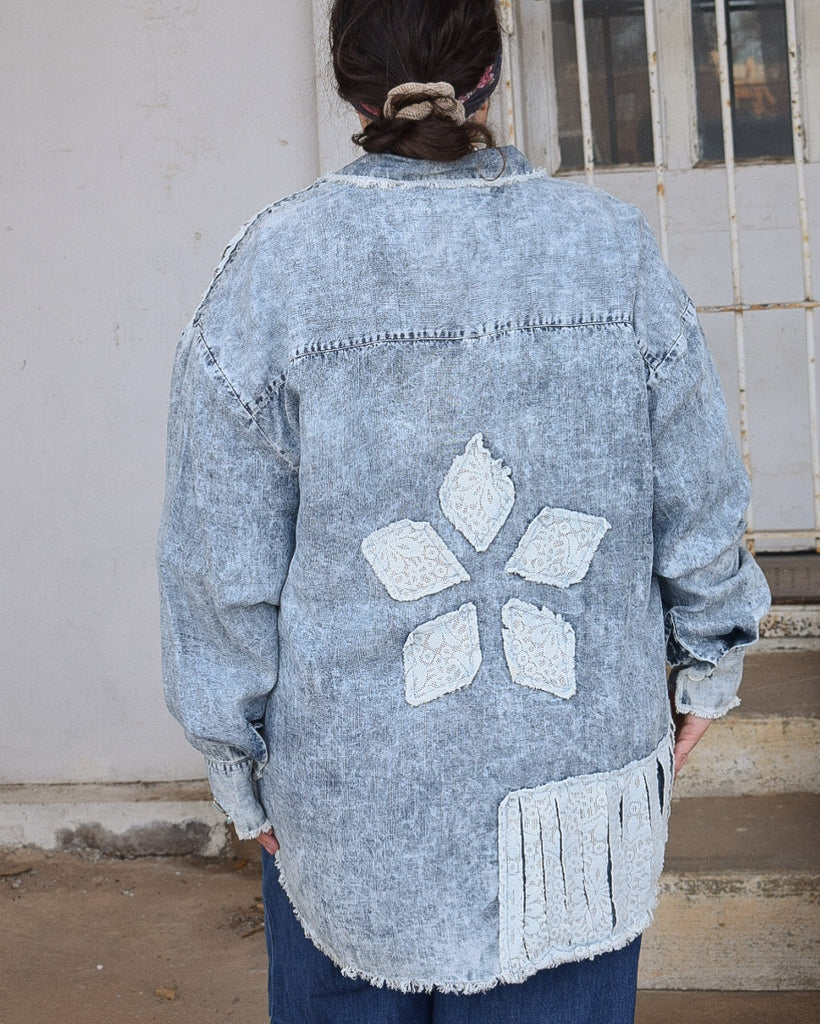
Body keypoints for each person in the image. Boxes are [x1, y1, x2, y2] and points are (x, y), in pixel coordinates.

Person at [156, 2, 773, 1021]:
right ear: (490, 76)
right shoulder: (608, 250)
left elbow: (218, 559)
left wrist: (233, 757)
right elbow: (697, 488)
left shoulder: (276, 267)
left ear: (351, 88)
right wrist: (710, 660)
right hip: (576, 800)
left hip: (352, 810)